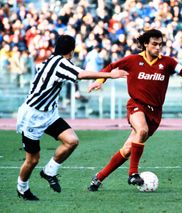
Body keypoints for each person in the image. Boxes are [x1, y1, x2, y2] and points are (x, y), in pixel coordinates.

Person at [16, 35, 128, 201]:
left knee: (71, 141)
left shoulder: (56, 60)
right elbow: (81, 75)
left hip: (49, 113)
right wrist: (111, 75)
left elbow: (77, 74)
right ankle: (22, 188)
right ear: (72, 50)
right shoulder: (60, 63)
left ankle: (49, 172)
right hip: (32, 115)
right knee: (32, 160)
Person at [87, 29, 182, 191]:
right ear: (145, 44)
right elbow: (110, 67)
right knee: (142, 130)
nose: (158, 47)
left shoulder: (167, 62)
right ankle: (133, 173)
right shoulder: (132, 60)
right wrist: (100, 80)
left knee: (127, 149)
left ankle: (98, 178)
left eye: (160, 44)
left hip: (155, 113)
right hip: (136, 105)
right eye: (154, 44)